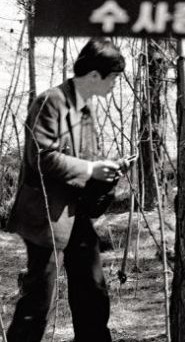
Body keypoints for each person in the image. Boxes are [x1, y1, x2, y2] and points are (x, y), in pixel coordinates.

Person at [6, 38, 133, 342]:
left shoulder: (85, 108)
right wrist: (91, 169)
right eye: (114, 77)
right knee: (39, 300)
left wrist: (108, 168)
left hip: (76, 215)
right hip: (46, 216)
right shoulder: (50, 102)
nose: (116, 84)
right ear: (93, 76)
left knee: (92, 288)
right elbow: (42, 157)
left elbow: (83, 160)